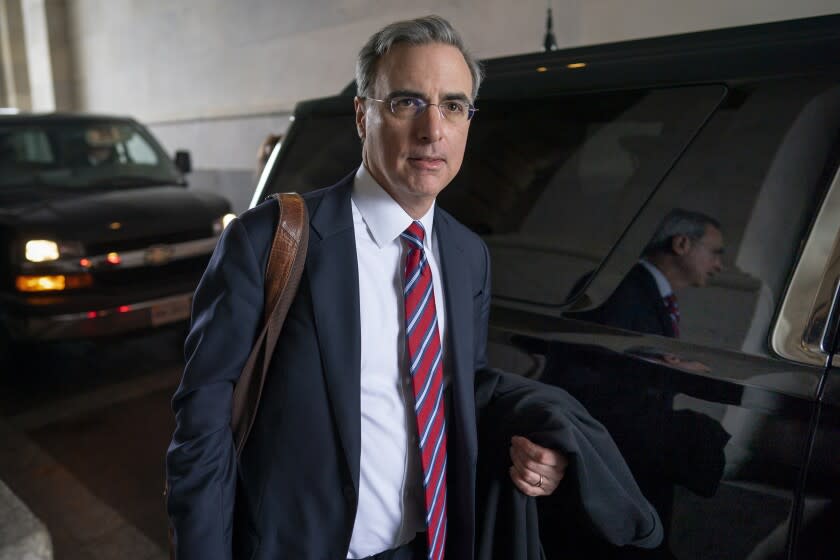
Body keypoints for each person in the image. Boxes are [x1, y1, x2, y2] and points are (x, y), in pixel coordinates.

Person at [166, 16, 587, 560]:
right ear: (363, 115)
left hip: (426, 545)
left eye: (454, 107)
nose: (432, 130)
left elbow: (459, 387)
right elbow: (202, 429)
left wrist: (535, 439)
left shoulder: (466, 255)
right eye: (407, 102)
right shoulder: (269, 240)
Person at [568, 208, 724, 338]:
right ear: (681, 244)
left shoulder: (649, 293)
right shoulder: (615, 287)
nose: (719, 265)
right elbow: (595, 361)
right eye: (715, 253)